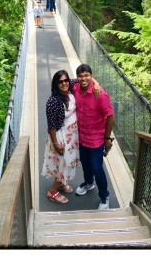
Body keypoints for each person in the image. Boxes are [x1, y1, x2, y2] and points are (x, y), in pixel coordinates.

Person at [72, 63, 114, 210]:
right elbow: (62, 82)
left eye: (87, 75)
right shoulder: (75, 87)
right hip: (82, 136)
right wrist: (94, 81)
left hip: (96, 138)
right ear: (77, 78)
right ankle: (89, 183)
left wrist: (107, 138)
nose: (83, 78)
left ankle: (104, 196)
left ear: (91, 76)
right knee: (85, 163)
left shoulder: (99, 94)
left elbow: (110, 116)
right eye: (80, 76)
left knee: (97, 168)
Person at [41, 70, 80, 204]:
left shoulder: (71, 89)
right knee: (63, 164)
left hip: (72, 135)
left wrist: (96, 84)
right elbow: (51, 126)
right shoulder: (52, 102)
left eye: (65, 80)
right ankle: (52, 192)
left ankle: (62, 183)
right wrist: (56, 143)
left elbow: (84, 77)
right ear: (56, 84)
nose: (64, 83)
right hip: (61, 137)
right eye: (60, 82)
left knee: (67, 162)